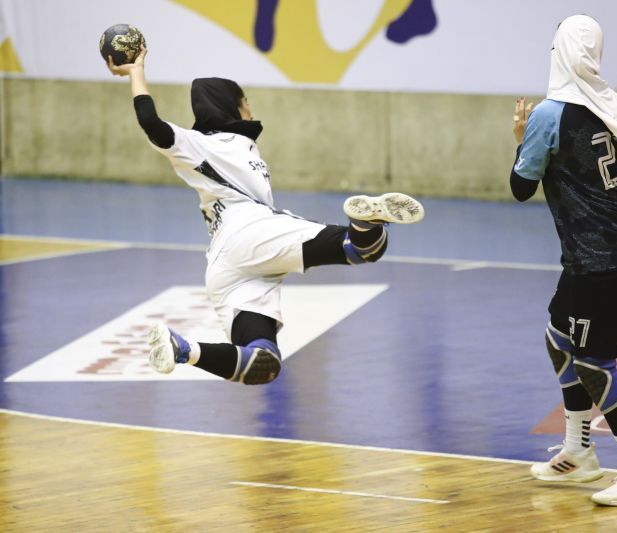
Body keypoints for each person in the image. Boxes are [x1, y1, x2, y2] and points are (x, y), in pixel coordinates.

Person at [107, 47, 424, 386]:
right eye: (245, 102)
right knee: (363, 247)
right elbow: (151, 123)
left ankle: (183, 349)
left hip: (228, 266)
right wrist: (136, 73)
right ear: (230, 105)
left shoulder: (240, 145)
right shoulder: (199, 143)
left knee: (262, 365)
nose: (250, 109)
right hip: (250, 230)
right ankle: (366, 221)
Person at [509, 15, 617, 506]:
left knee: (595, 365)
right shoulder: (615, 105)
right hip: (600, 255)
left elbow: (520, 187)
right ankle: (579, 452)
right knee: (559, 338)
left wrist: (523, 139)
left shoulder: (549, 115)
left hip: (602, 263)